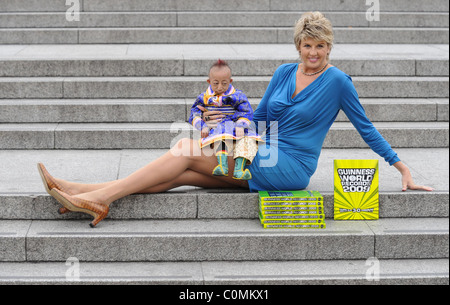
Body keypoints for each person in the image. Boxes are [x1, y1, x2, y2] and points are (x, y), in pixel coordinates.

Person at [38, 11, 433, 228]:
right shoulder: (282, 72)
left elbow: (366, 127)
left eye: (321, 46)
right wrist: (231, 131)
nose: (313, 52)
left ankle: (98, 200)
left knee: (184, 151)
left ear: (330, 46)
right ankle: (81, 189)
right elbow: (258, 117)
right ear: (299, 45)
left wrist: (403, 169)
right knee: (181, 172)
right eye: (307, 45)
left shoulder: (338, 82)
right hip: (258, 147)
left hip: (290, 165)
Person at [189, 59, 262, 180]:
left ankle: (240, 169)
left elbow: (246, 111)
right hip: (218, 128)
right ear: (209, 81)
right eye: (215, 83)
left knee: (248, 141)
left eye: (224, 83)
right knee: (220, 137)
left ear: (230, 81)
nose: (220, 87)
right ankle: (222, 165)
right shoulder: (204, 97)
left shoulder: (237, 95)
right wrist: (203, 126)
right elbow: (194, 112)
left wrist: (240, 124)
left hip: (236, 127)